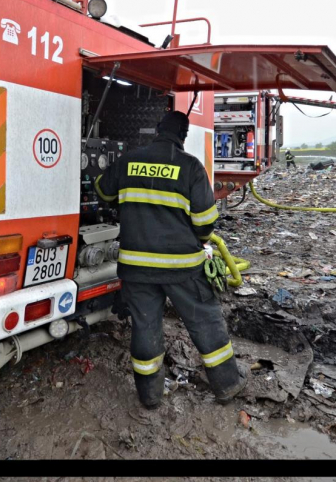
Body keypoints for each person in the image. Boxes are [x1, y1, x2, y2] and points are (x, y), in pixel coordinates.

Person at [94, 110, 247, 409]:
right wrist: (200, 239)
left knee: (145, 326)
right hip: (182, 268)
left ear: (157, 130)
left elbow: (102, 190)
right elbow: (205, 223)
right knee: (205, 321)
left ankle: (150, 395)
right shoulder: (190, 166)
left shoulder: (128, 161)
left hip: (136, 268)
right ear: (183, 135)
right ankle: (227, 384)